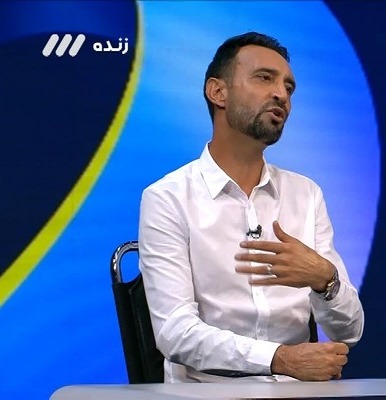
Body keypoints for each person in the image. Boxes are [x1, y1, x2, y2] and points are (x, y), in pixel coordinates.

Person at [138, 32, 364, 383]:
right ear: (218, 92)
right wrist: (280, 359)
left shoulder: (306, 194)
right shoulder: (168, 197)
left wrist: (325, 279)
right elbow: (175, 333)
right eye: (264, 78)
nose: (281, 94)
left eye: (289, 87)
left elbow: (350, 332)